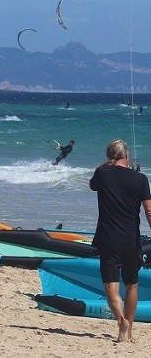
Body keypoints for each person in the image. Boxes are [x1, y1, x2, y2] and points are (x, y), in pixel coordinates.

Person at [89, 139, 151, 343]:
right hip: (131, 239)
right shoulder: (141, 179)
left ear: (109, 156)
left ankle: (121, 321)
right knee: (132, 284)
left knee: (110, 285)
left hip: (107, 238)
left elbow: (93, 184)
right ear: (127, 156)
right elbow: (149, 210)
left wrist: (107, 163)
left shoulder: (102, 173)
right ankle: (129, 330)